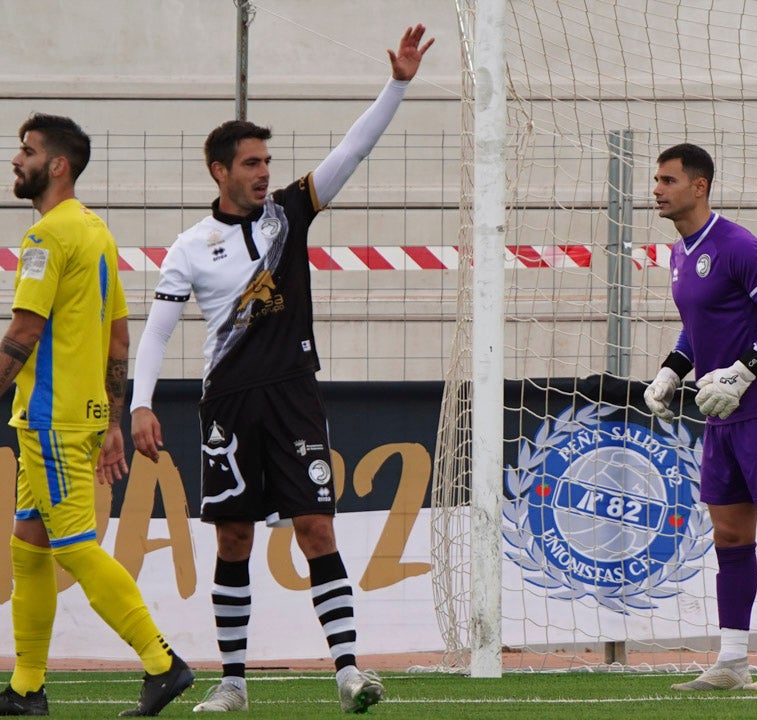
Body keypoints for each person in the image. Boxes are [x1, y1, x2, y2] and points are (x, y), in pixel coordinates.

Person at [129, 24, 433, 714]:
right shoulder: (190, 248)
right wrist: (140, 403)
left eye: (268, 161)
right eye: (251, 163)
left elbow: (353, 150)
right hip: (228, 405)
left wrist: (399, 83)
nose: (265, 172)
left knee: (315, 526)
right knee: (233, 537)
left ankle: (349, 671)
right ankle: (233, 682)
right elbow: (157, 331)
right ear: (219, 170)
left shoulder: (290, 213)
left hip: (295, 395)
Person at [0, 113, 194, 717]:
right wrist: (109, 420)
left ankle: (164, 663)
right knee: (29, 548)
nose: (16, 160)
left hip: (50, 419)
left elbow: (25, 331)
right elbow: (117, 339)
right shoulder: (96, 232)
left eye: (26, 151)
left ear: (57, 166)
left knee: (75, 547)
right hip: (72, 418)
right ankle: (27, 688)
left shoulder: (47, 238)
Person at [644, 143, 757, 692]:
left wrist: (743, 373)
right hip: (718, 414)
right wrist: (674, 369)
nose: (656, 189)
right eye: (656, 180)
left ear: (699, 186)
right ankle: (733, 661)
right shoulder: (678, 253)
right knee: (728, 534)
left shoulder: (738, 245)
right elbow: (699, 325)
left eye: (668, 180)